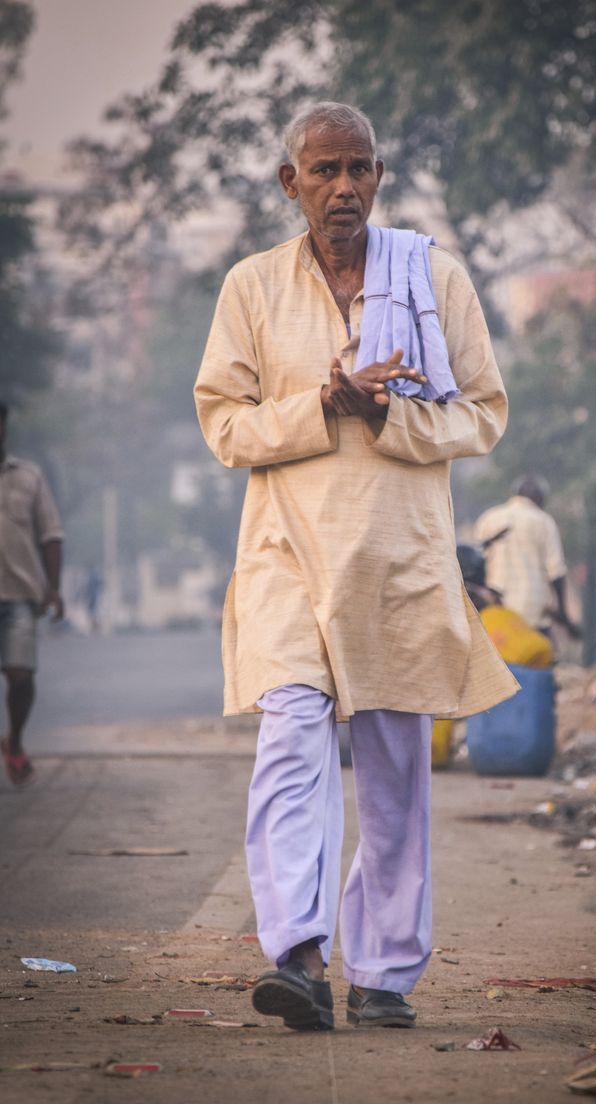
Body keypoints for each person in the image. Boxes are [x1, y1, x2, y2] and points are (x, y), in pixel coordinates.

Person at [194, 101, 518, 1032]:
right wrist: (322, 406)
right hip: (288, 555)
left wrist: (390, 419)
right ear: (289, 183)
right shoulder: (250, 288)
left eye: (360, 169)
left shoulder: (434, 276)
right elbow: (224, 424)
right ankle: (296, 953)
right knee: (291, 742)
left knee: (392, 772)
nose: (344, 187)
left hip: (398, 557)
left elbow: (483, 413)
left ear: (379, 176)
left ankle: (383, 973)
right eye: (325, 170)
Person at [0, 402, 64, 785]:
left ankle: (16, 741)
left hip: (20, 593)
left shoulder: (28, 477)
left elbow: (51, 534)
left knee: (21, 676)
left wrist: (53, 588)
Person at [474, 474, 579, 638]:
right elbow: (556, 572)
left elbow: (478, 561)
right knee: (539, 655)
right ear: (539, 498)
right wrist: (563, 614)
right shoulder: (544, 522)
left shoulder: (490, 518)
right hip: (532, 614)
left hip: (496, 610)